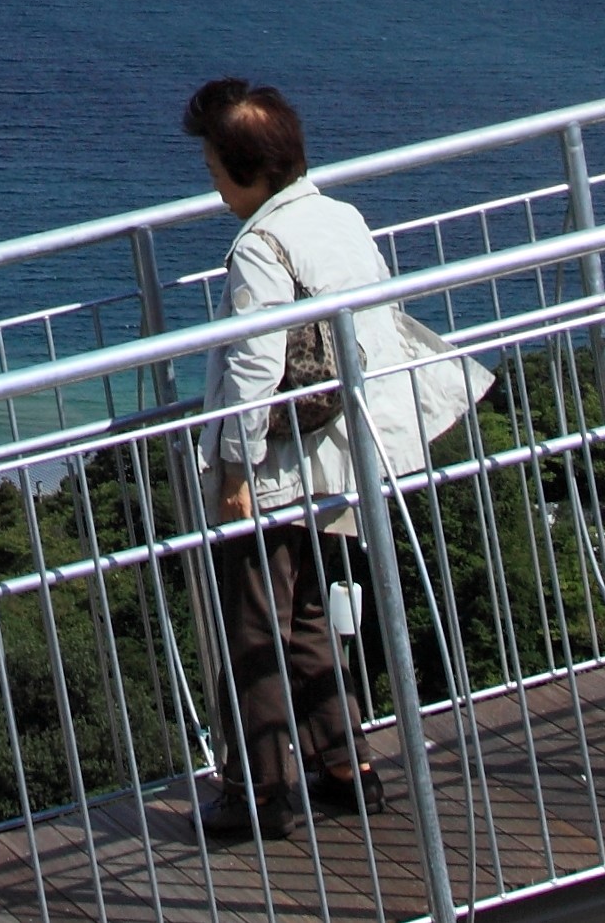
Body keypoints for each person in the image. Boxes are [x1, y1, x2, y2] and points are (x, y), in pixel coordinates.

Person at [182, 77, 425, 846]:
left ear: (246, 170)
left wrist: (233, 473)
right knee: (311, 611)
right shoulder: (340, 218)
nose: (214, 186)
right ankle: (347, 765)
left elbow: (254, 369)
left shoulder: (261, 247)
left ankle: (259, 791)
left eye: (217, 169)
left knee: (255, 625)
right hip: (343, 453)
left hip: (277, 469)